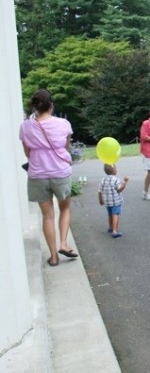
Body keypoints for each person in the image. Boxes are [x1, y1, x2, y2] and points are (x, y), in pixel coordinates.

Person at [19, 89, 78, 266]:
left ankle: (53, 257)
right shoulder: (63, 124)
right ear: (51, 105)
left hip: (38, 174)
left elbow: (27, 153)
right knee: (65, 207)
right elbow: (66, 148)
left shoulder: (25, 126)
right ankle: (64, 243)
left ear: (35, 107)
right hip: (60, 172)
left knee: (47, 216)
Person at [98, 164, 129, 238]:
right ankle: (114, 231)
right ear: (114, 170)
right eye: (116, 168)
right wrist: (124, 182)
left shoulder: (103, 180)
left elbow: (100, 191)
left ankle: (110, 227)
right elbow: (120, 189)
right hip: (115, 201)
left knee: (110, 214)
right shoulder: (116, 179)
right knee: (115, 215)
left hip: (107, 201)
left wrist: (100, 200)